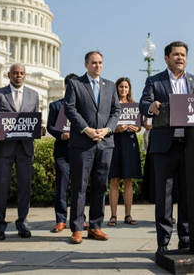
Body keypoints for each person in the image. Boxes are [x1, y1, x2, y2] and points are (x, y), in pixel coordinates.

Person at [139, 41, 194, 251]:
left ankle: (185, 239)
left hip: (189, 146)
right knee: (164, 198)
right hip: (164, 147)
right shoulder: (154, 81)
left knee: (187, 195)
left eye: (183, 54)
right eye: (176, 54)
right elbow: (143, 103)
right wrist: (151, 106)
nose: (180, 58)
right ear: (166, 58)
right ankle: (163, 242)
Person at [64, 51, 120, 244]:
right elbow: (70, 108)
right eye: (94, 63)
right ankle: (77, 229)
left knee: (100, 186)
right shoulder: (75, 84)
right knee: (79, 186)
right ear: (86, 64)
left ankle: (96, 227)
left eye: (100, 63)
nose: (98, 66)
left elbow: (116, 110)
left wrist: (108, 130)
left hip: (105, 143)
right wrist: (86, 129)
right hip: (82, 143)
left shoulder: (110, 86)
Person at [0, 63, 42, 241]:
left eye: (22, 73)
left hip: (25, 148)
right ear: (9, 74)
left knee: (25, 187)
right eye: (15, 73)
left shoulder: (34, 95)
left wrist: (38, 129)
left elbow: (33, 119)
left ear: (25, 75)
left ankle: (23, 224)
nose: (19, 75)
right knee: (1, 187)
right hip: (4, 148)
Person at [46, 73, 82, 233]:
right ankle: (61, 220)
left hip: (80, 151)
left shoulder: (83, 106)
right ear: (65, 86)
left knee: (79, 188)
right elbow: (50, 126)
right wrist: (61, 135)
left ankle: (80, 220)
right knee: (61, 187)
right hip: (62, 151)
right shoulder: (55, 106)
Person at [108, 77, 143, 227]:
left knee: (129, 179)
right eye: (121, 87)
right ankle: (113, 215)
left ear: (129, 89)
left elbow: (140, 125)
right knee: (114, 179)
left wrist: (137, 128)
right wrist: (116, 129)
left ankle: (128, 215)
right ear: (117, 88)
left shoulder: (135, 106)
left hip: (130, 141)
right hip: (115, 142)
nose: (123, 89)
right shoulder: (110, 105)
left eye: (126, 87)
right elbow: (106, 124)